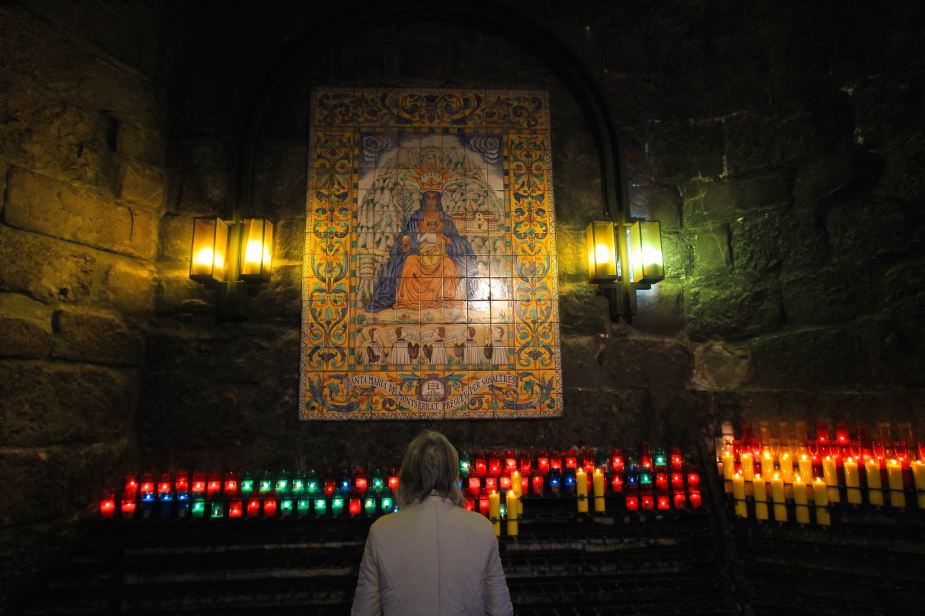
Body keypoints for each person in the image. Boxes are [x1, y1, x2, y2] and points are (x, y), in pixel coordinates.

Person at [351, 431, 513, 616]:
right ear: (453, 474)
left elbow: (365, 610)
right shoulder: (481, 529)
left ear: (408, 474)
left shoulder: (381, 531)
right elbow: (500, 610)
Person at [365, 191, 478, 312]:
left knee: (449, 265)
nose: (431, 201)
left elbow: (455, 240)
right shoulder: (415, 218)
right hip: (419, 256)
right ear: (424, 200)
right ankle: (409, 301)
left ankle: (445, 300)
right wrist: (413, 240)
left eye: (434, 198)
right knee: (410, 263)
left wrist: (443, 239)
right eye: (428, 198)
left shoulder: (446, 219)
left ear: (438, 200)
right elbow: (408, 237)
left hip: (440, 256)